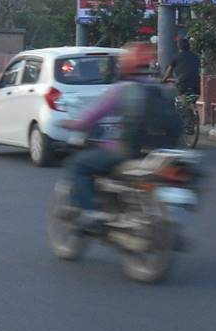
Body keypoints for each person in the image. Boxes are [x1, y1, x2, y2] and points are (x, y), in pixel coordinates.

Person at [60, 42, 179, 227]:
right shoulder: (160, 89)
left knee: (78, 165)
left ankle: (92, 214)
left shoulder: (122, 90)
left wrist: (70, 123)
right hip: (159, 154)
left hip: (125, 152)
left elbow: (90, 119)